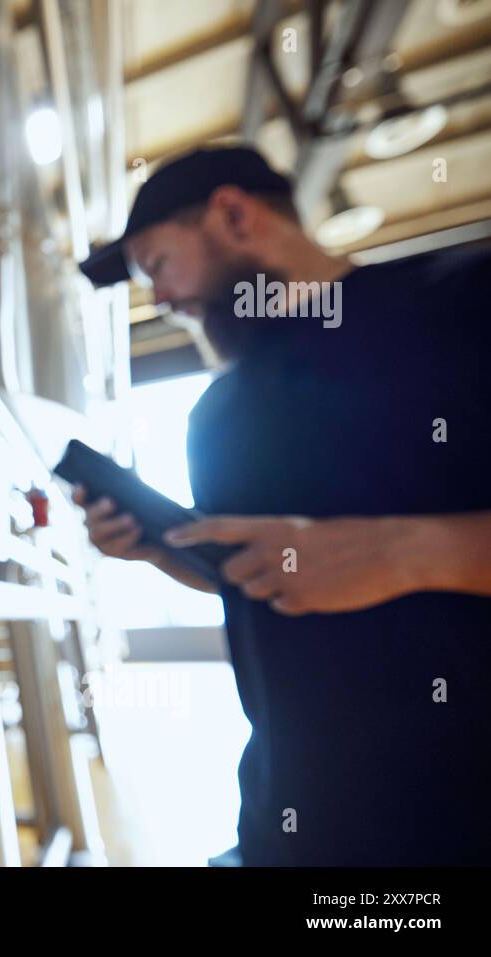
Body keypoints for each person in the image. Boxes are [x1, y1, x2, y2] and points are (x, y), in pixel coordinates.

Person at [75, 145, 491, 866]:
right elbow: (262, 580)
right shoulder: (214, 416)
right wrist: (159, 547)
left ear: (233, 214)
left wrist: (405, 553)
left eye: (158, 264)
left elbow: (347, 562)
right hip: (287, 827)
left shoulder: (460, 301)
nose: (162, 300)